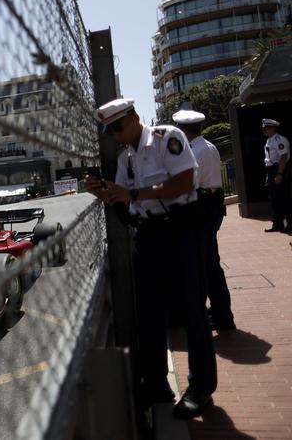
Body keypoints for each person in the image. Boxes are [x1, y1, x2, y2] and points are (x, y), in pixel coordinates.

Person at [86, 98, 216, 419]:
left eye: (118, 127)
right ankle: (157, 384)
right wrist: (107, 192)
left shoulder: (166, 138)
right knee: (149, 315)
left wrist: (134, 193)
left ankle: (201, 388)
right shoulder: (125, 157)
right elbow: (126, 202)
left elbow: (184, 182)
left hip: (181, 234)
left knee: (192, 313)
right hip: (148, 237)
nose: (115, 134)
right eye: (109, 130)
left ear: (134, 119)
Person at [173, 109, 235, 331]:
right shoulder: (206, 146)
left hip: (202, 210)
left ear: (182, 131)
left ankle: (221, 315)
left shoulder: (194, 152)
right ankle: (220, 312)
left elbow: (188, 186)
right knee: (209, 263)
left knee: (206, 265)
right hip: (210, 208)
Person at [262, 118, 291, 233]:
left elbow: (283, 157)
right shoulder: (269, 140)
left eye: (267, 128)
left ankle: (290, 224)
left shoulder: (279, 140)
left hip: (279, 169)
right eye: (264, 128)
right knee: (275, 199)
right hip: (271, 170)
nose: (264, 130)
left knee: (285, 198)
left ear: (273, 128)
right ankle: (277, 224)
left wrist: (279, 173)